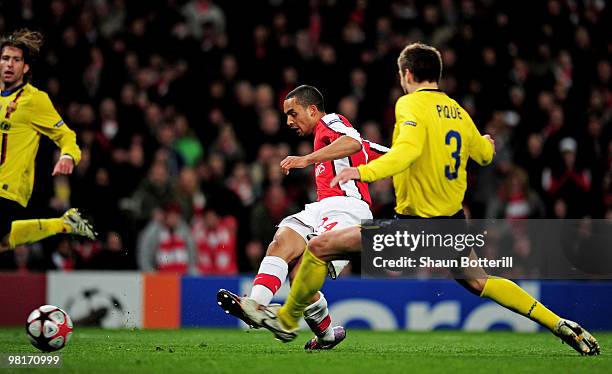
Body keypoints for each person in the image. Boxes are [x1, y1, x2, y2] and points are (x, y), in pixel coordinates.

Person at [241, 43, 600, 356]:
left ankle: (287, 319)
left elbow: (406, 152)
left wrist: (362, 173)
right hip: (451, 224)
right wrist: (488, 145)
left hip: (412, 228)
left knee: (319, 248)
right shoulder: (458, 112)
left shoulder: (410, 105)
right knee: (481, 281)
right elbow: (485, 155)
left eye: (401, 75)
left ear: (407, 73)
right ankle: (559, 323)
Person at [217, 85, 388, 350]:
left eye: (293, 113)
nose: (289, 121)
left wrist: (305, 159)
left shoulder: (331, 122)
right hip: (322, 207)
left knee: (301, 273)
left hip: (349, 209)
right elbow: (380, 151)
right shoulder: (331, 137)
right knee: (282, 242)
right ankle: (257, 307)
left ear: (312, 109)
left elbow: (354, 141)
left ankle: (285, 320)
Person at [0, 29, 95, 256]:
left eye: (16, 60)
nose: (9, 64)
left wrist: (68, 156)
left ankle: (64, 224)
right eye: (5, 58)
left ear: (25, 67)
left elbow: (67, 135)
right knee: (3, 243)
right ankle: (65, 224)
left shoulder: (35, 100)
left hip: (8, 188)